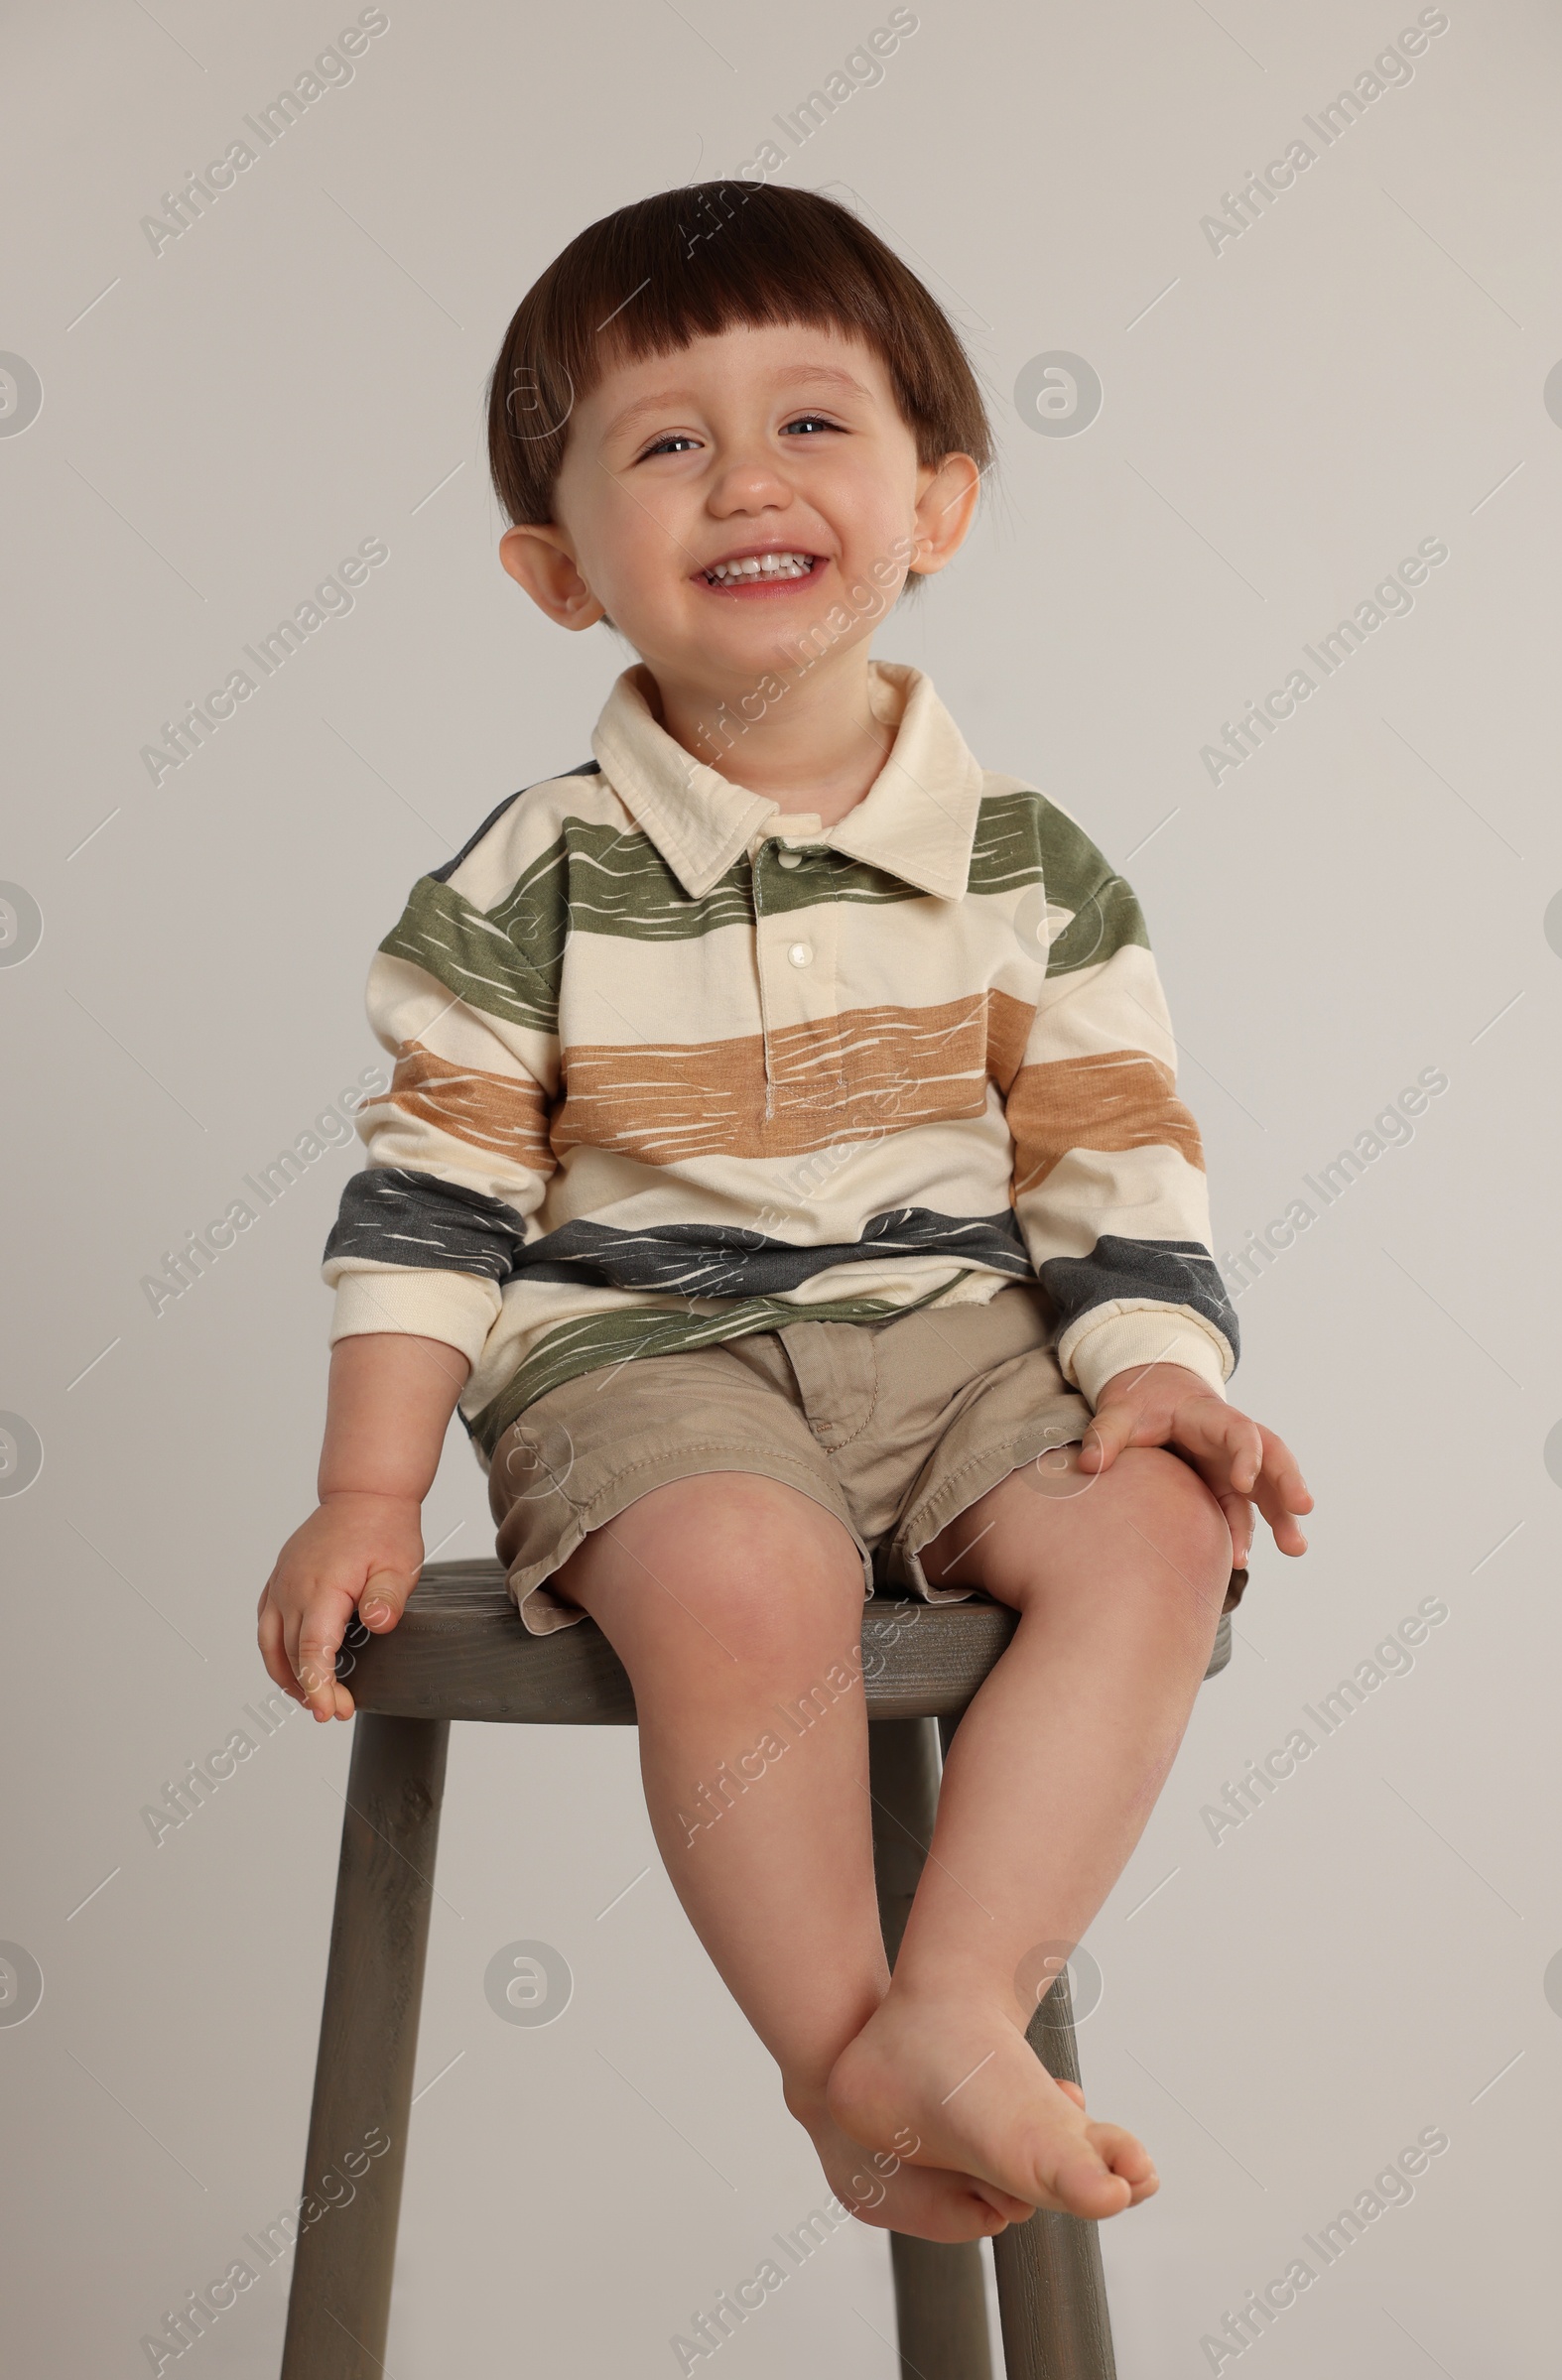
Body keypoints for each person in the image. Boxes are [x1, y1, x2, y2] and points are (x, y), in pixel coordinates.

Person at [258, 181, 1311, 2245]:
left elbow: (1110, 1157)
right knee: (745, 1580)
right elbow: (437, 1192)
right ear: (559, 569)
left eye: (811, 424)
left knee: (1160, 1526)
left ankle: (948, 2011)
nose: (744, 474)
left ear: (937, 501)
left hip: (965, 1352)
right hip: (641, 1362)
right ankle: (835, 2061)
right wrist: (368, 1491)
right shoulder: (525, 883)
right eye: (666, 441)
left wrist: (1159, 1375)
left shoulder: (1026, 864)